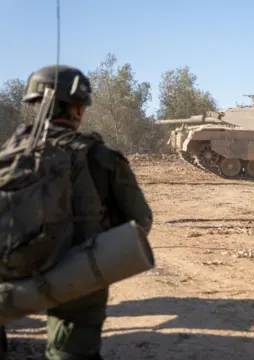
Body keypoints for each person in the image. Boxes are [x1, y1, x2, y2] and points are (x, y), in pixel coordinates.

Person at [0, 65, 153, 360]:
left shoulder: (8, 155)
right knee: (71, 351)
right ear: (79, 110)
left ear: (35, 105)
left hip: (9, 267)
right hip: (77, 272)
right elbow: (140, 221)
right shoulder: (100, 157)